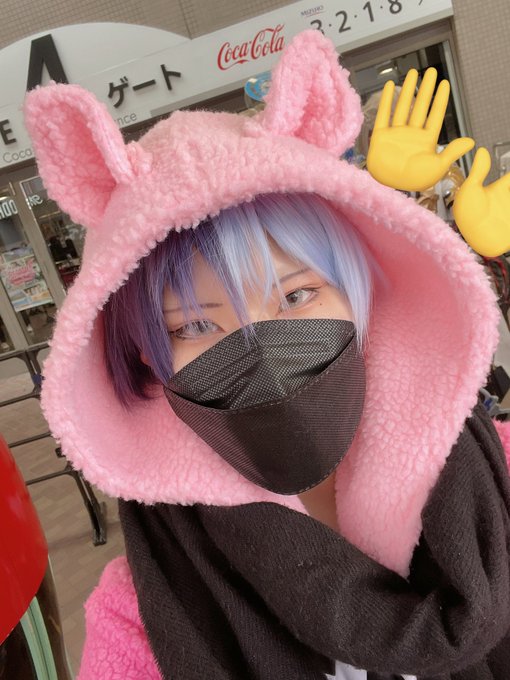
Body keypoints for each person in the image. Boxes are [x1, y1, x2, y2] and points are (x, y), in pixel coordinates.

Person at [24, 31, 510, 680]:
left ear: (358, 293)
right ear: (147, 360)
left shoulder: (498, 468)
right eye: (197, 324)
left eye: (297, 294)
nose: (259, 349)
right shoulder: (146, 605)